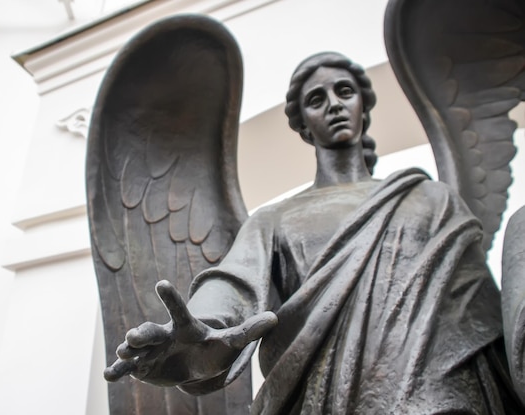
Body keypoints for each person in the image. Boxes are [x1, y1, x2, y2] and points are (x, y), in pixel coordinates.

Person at [105, 52, 522, 414]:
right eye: (317, 99)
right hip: (322, 400)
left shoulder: (430, 197)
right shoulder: (275, 219)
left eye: (345, 91)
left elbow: (480, 315)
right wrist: (198, 336)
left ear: (363, 105)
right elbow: (231, 289)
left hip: (443, 395)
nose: (334, 105)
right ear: (303, 123)